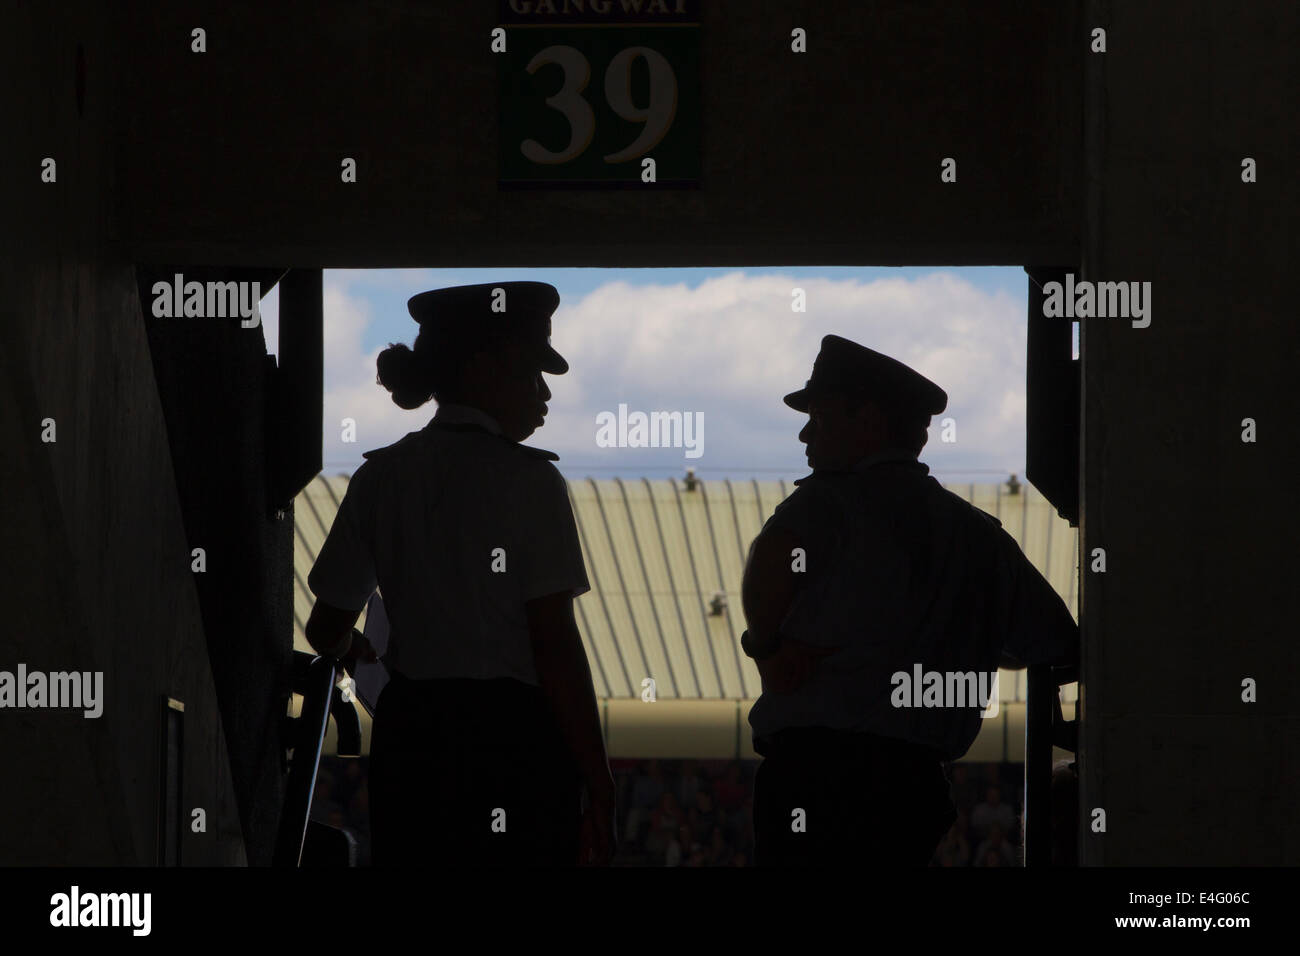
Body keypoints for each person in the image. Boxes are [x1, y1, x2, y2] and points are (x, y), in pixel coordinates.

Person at [302, 281, 615, 866]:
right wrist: (597, 780)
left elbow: (324, 629)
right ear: (485, 368)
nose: (545, 393)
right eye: (532, 372)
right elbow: (555, 647)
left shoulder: (380, 478)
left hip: (415, 742)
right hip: (513, 744)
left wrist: (357, 649)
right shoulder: (532, 483)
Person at [742, 334, 1079, 866]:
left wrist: (763, 644)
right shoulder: (981, 537)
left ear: (869, 421)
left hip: (813, 779)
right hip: (911, 787)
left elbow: (774, 553)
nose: (806, 433)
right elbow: (1055, 641)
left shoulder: (826, 502)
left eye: (821, 418)